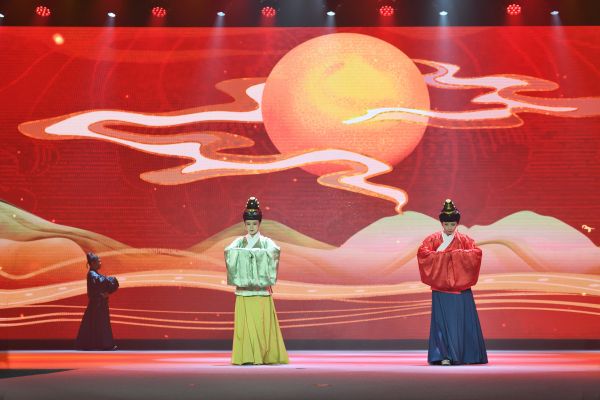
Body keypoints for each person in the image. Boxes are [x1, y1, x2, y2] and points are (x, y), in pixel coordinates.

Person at [417, 199, 488, 365]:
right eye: (447, 224)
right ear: (442, 224)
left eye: (453, 224)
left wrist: (452, 256)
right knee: (442, 323)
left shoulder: (465, 239)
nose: (450, 227)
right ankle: (444, 355)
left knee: (464, 322)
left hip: (461, 289)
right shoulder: (432, 240)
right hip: (441, 290)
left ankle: (467, 355)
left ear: (457, 224)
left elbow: (476, 253)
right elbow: (423, 254)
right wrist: (448, 256)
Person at [224, 197, 289, 365]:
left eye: (254, 224)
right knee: (245, 327)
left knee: (261, 325)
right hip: (244, 292)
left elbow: (274, 252)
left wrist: (250, 255)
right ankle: (246, 356)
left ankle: (263, 355)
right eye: (248, 224)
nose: (251, 227)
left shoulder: (266, 242)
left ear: (259, 224)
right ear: (244, 224)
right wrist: (251, 254)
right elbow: (229, 251)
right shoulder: (240, 241)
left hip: (261, 293)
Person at [75, 252, 119, 350]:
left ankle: (100, 344)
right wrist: (110, 280)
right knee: (99, 325)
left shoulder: (95, 274)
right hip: (96, 305)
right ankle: (104, 345)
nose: (100, 263)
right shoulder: (92, 274)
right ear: (93, 263)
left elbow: (105, 284)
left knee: (98, 325)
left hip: (99, 304)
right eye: (98, 261)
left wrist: (108, 291)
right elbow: (101, 282)